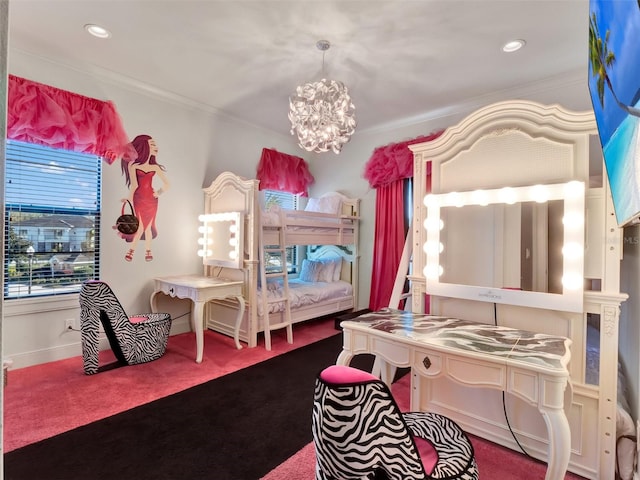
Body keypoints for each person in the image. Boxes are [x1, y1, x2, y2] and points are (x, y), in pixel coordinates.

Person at [120, 134, 170, 262]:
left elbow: (167, 184)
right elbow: (134, 185)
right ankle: (133, 250)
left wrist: (158, 193)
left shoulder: (155, 167)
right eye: (152, 145)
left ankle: (145, 251)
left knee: (147, 227)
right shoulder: (134, 166)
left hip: (151, 200)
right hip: (139, 198)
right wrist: (128, 198)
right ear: (145, 147)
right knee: (141, 226)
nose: (156, 147)